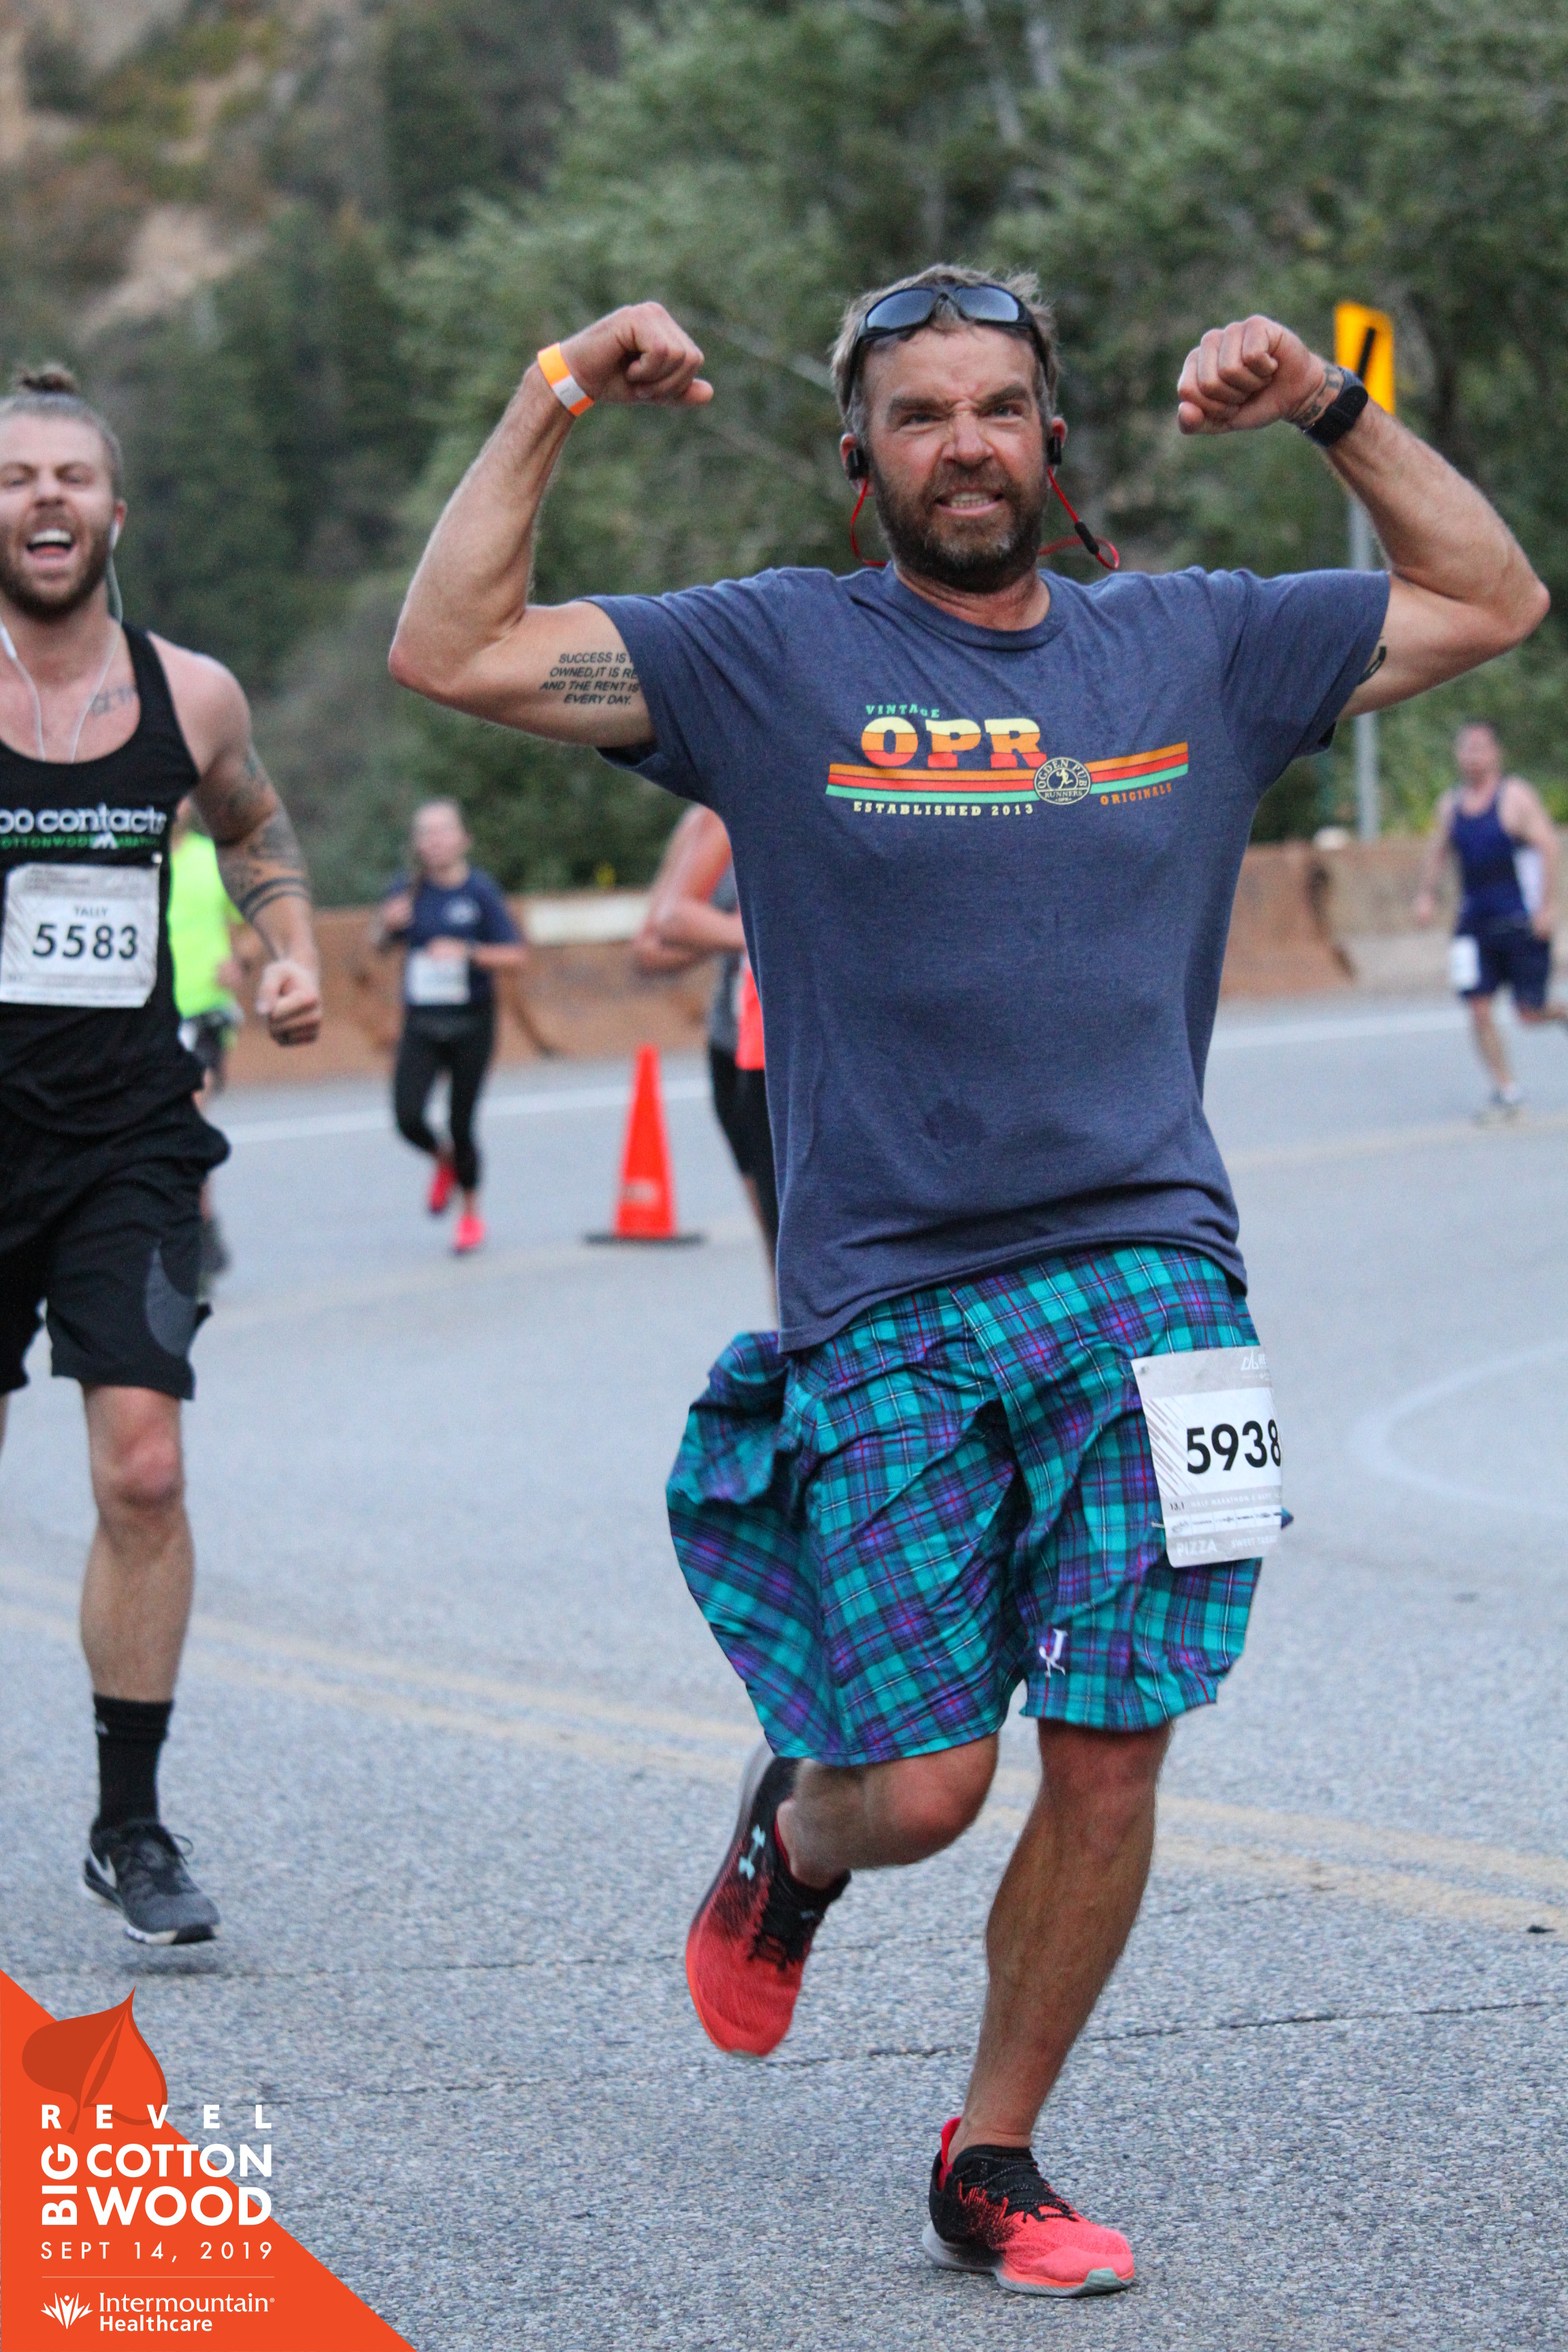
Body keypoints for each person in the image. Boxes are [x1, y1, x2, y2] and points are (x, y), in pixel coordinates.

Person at [389, 274, 1546, 2295]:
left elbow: (1491, 598)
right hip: (893, 1293)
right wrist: (557, 387)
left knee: (1117, 1740)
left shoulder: (1197, 642)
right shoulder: (771, 656)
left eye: (998, 406)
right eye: (920, 414)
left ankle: (990, 2153)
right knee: (922, 1789)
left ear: (1052, 436)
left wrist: (1330, 402)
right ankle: (796, 1836)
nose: (966, 445)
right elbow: (452, 648)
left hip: (1158, 1280)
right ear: (864, 454)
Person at [0, 364, 321, 1944]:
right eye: (16, 478)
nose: (45, 499)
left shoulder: (188, 694)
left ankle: (128, 1824)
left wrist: (290, 944)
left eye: (71, 476)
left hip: (126, 1137)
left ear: (115, 513)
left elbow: (253, 824)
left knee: (143, 1467)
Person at [372, 798, 525, 1256]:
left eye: (444, 830)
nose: (435, 840)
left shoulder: (480, 892)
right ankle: (443, 1161)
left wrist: (468, 952)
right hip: (422, 1021)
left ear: (463, 839)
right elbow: (377, 947)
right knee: (407, 1117)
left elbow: (516, 954)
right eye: (426, 832)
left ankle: (471, 1213)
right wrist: (386, 926)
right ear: (417, 844)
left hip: (472, 1021)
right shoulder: (407, 890)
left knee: (462, 1121)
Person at [634, 804, 779, 1263]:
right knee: (780, 1241)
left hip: (829, 1046)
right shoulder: (712, 818)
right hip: (741, 1047)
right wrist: (752, 935)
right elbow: (652, 946)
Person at [1412, 718, 1565, 1116]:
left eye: (1480, 748)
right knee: (1478, 1006)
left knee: (1529, 1011)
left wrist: (1547, 907)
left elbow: (1548, 847)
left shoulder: (1515, 797)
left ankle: (1561, 1013)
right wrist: (1426, 895)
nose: (1473, 756)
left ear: (1496, 753)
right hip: (1473, 924)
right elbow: (1437, 853)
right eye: (1466, 748)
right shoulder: (1451, 805)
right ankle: (1506, 1090)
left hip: (1519, 920)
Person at [167, 793, 246, 1281]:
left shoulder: (213, 859)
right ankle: (202, 1220)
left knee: (188, 1115)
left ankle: (193, 1235)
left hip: (204, 1012)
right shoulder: (127, 860)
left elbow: (253, 928)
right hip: (146, 1015)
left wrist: (242, 961)